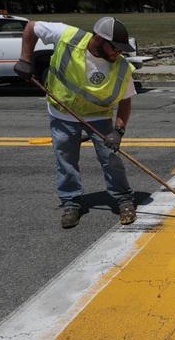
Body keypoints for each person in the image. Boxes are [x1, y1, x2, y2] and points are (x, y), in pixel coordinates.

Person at [14, 17, 138, 229]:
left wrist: (118, 131)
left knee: (111, 158)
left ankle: (124, 199)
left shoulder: (121, 68)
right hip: (62, 112)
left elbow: (125, 103)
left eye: (121, 49)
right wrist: (25, 59)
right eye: (115, 48)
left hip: (99, 116)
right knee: (65, 159)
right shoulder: (68, 36)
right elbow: (31, 26)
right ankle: (71, 202)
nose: (119, 53)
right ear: (98, 39)